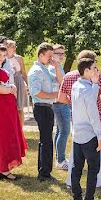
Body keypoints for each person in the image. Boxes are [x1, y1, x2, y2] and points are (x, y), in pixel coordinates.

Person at [60, 50, 101, 191]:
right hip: (93, 118)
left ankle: (71, 183)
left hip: (76, 118)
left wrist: (74, 104)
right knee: (95, 156)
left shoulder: (69, 76)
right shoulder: (94, 76)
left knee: (75, 156)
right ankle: (97, 183)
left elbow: (61, 98)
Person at [70, 57, 101, 200]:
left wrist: (94, 82)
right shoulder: (88, 90)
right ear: (86, 71)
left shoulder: (75, 86)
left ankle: (77, 199)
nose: (97, 71)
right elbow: (93, 114)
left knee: (77, 167)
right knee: (93, 168)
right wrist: (100, 136)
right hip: (89, 134)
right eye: (94, 68)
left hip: (78, 133)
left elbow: (90, 97)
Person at [0, 43, 27, 181]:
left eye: (3, 55)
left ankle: (3, 167)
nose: (1, 58)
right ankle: (2, 169)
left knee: (7, 134)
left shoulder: (0, 66)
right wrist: (12, 89)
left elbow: (3, 85)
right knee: (1, 135)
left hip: (6, 104)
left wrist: (10, 87)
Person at [28, 43, 61, 180]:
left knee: (47, 140)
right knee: (45, 141)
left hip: (47, 107)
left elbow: (60, 81)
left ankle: (46, 171)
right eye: (48, 56)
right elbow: (36, 92)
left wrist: (57, 67)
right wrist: (54, 95)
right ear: (40, 55)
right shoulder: (36, 71)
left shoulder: (46, 69)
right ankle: (43, 173)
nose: (50, 59)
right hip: (42, 107)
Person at [50, 44, 71, 170]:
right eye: (58, 53)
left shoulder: (57, 66)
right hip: (60, 102)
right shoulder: (54, 68)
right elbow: (62, 82)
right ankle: (61, 160)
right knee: (64, 131)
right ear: (52, 54)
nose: (61, 56)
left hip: (60, 101)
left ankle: (59, 157)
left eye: (63, 53)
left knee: (59, 131)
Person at [5, 40, 29, 125]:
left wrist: (28, 84)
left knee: (20, 107)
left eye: (15, 46)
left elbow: (23, 72)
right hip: (8, 83)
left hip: (18, 82)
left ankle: (21, 129)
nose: (14, 48)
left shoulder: (19, 58)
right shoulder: (3, 59)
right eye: (12, 46)